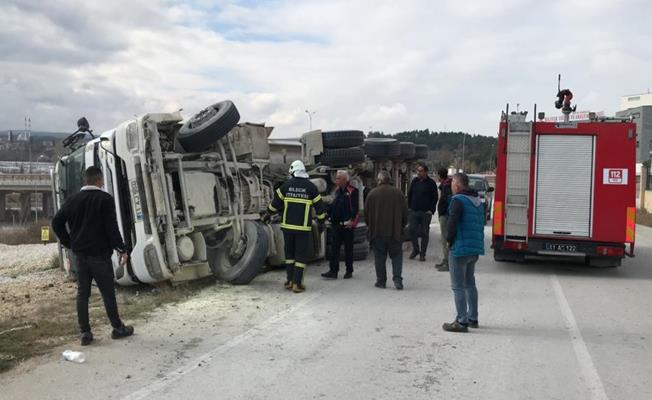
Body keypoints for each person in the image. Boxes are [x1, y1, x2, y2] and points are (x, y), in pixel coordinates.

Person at [51, 166, 133, 346]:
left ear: (85, 180)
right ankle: (117, 328)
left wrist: (69, 242)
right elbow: (111, 228)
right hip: (99, 255)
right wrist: (122, 249)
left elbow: (56, 222)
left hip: (79, 255)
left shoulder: (72, 200)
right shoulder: (105, 199)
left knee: (83, 293)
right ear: (99, 180)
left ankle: (85, 333)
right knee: (107, 292)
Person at [264, 160, 326, 293]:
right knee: (300, 257)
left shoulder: (286, 186)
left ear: (292, 171)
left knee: (290, 255)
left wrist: (267, 215)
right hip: (302, 229)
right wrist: (321, 222)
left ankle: (290, 281)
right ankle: (297, 284)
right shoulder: (311, 187)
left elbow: (274, 205)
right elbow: (320, 208)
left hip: (287, 228)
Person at [442, 173, 485, 333]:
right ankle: (473, 317)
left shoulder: (457, 201)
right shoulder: (478, 201)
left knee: (458, 286)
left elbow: (452, 223)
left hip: (460, 248)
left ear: (458, 185)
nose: (452, 186)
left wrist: (448, 240)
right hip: (474, 249)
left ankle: (461, 320)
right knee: (470, 283)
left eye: (453, 183)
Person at [364, 171, 408, 290]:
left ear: (379, 180)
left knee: (379, 257)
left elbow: (366, 214)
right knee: (397, 256)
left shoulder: (372, 194)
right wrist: (402, 226)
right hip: (395, 231)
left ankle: (381, 281)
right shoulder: (399, 193)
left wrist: (370, 226)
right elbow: (405, 213)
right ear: (390, 180)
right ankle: (397, 279)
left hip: (377, 232)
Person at [322, 170, 360, 280]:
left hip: (348, 226)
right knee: (334, 249)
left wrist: (353, 223)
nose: (336, 180)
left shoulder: (353, 191)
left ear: (344, 180)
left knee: (349, 250)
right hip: (336, 225)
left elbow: (356, 209)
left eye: (338, 178)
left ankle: (349, 271)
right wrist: (328, 215)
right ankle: (333, 271)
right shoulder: (337, 191)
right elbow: (333, 206)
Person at [407, 163, 438, 262]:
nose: (418, 173)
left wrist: (431, 210)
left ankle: (422, 254)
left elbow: (435, 197)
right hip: (414, 211)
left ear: (425, 172)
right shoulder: (415, 181)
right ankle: (416, 250)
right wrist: (409, 207)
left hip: (426, 213)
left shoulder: (431, 183)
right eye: (417, 171)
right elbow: (410, 194)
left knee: (425, 233)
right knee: (412, 231)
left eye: (420, 171)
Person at [435, 168, 453, 271]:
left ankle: (448, 262)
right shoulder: (447, 184)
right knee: (445, 238)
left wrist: (443, 211)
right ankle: (446, 260)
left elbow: (446, 201)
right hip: (446, 215)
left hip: (445, 215)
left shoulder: (446, 186)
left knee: (445, 239)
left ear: (439, 175)